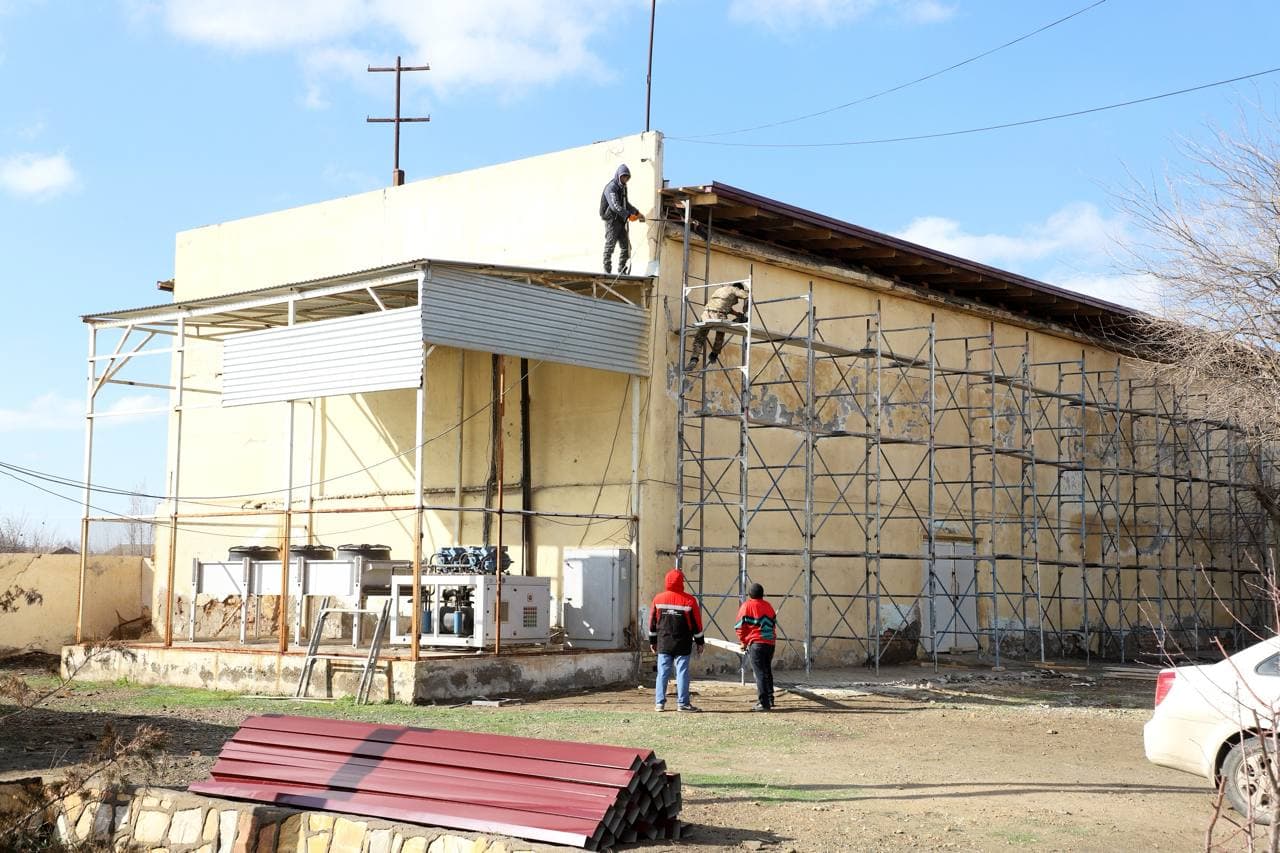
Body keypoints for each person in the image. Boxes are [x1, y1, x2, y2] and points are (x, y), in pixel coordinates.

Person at [647, 567, 706, 712]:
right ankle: (683, 704)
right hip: (683, 643)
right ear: (681, 582)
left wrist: (652, 641)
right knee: (682, 672)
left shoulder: (658, 599)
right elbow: (697, 624)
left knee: (662, 673)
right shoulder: (689, 600)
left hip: (664, 642)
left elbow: (652, 622)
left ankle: (659, 703)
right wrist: (700, 642)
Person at [686, 280, 750, 371]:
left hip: (706, 314)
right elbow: (747, 296)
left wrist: (736, 313)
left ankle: (694, 359)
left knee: (700, 337)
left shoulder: (721, 289)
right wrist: (746, 306)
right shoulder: (735, 289)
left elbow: (722, 305)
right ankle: (714, 354)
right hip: (718, 315)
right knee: (720, 334)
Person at [735, 582, 778, 711]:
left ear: (749, 594)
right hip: (770, 643)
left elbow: (739, 626)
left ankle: (763, 703)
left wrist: (743, 641)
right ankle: (770, 699)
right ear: (762, 594)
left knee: (759, 673)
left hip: (756, 644)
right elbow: (773, 624)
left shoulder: (747, 606)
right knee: (766, 670)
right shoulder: (768, 606)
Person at [600, 164, 645, 274]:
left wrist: (637, 213)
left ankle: (622, 270)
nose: (625, 179)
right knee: (610, 245)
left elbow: (625, 204)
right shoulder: (611, 187)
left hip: (620, 220)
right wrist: (628, 215)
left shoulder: (623, 188)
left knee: (626, 247)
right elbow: (614, 205)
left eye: (627, 177)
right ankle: (607, 270)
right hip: (612, 220)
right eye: (623, 177)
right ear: (618, 176)